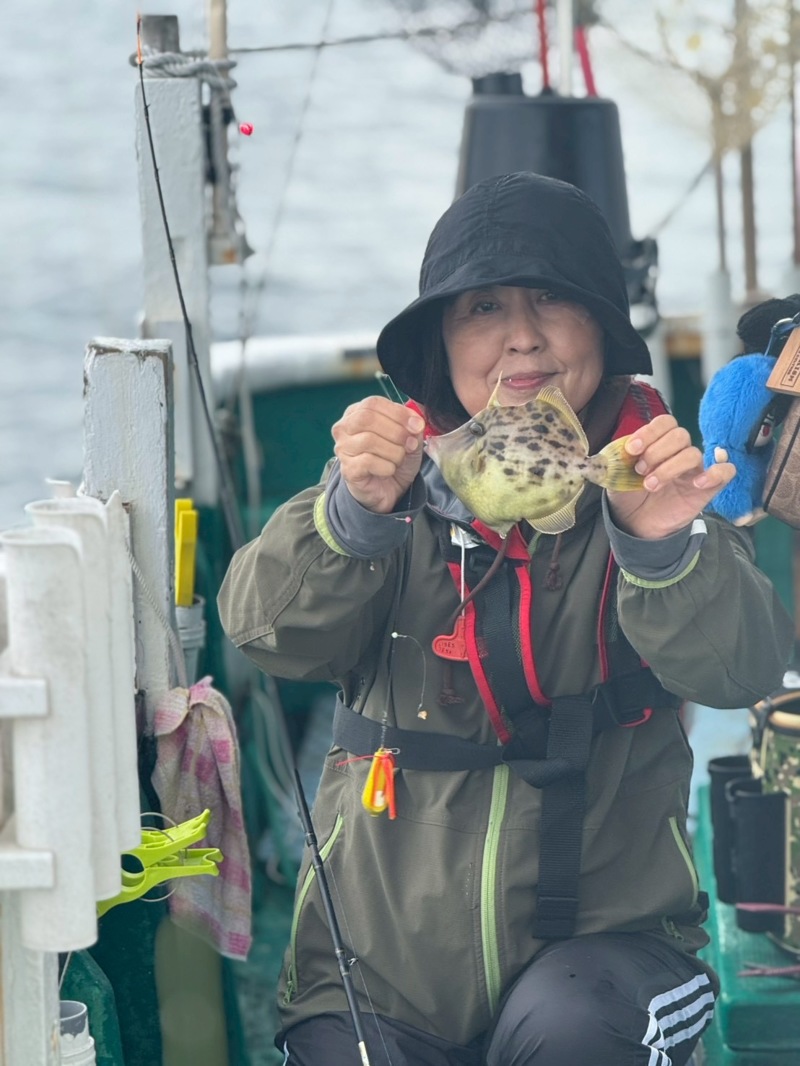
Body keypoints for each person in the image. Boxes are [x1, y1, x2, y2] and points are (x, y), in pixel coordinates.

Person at [218, 172, 794, 1066]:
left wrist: (663, 551)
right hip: (374, 971)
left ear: (601, 326)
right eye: (482, 306)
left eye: (553, 298)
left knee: (572, 1036)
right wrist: (352, 519)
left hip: (608, 959)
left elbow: (742, 669)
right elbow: (263, 634)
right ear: (440, 344)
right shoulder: (387, 478)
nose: (521, 334)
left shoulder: (650, 481)